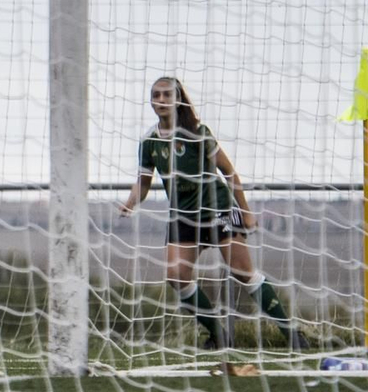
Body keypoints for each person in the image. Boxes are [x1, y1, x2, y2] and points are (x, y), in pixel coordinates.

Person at [119, 77, 303, 351]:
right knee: (176, 276)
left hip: (216, 207)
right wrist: (131, 202)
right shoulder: (148, 141)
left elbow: (229, 172)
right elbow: (143, 183)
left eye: (167, 95)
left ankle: (293, 335)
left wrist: (246, 212)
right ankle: (219, 334)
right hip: (182, 214)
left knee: (242, 272)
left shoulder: (198, 132)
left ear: (178, 99)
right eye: (155, 95)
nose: (160, 100)